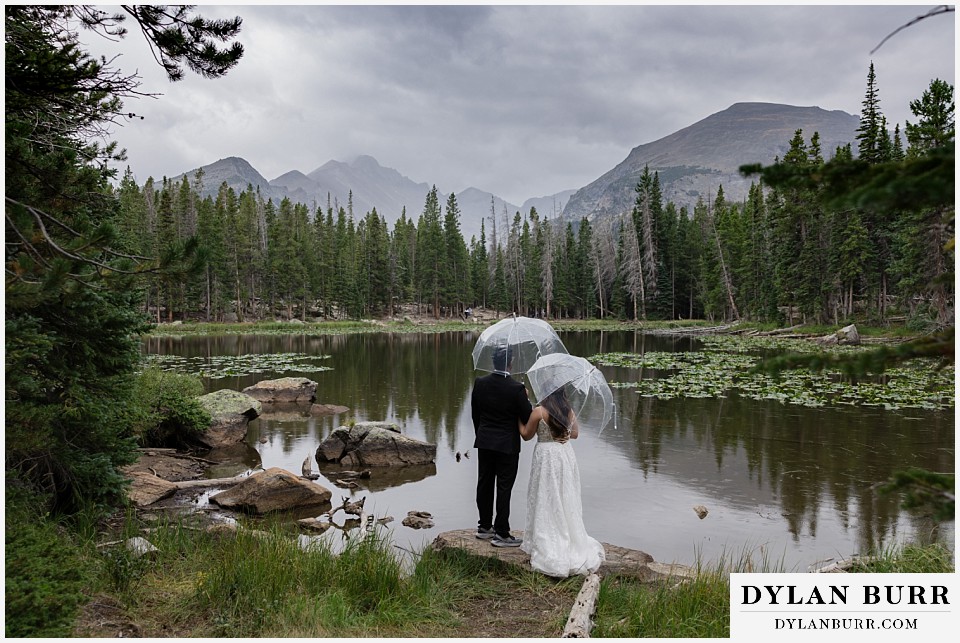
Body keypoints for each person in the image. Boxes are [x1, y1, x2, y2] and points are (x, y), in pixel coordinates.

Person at [519, 387, 605, 577]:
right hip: (564, 455)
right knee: (564, 496)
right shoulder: (568, 411)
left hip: (546, 457)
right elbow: (574, 434)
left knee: (545, 495)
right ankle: (567, 534)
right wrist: (561, 432)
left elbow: (526, 435)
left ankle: (546, 539)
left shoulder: (539, 411)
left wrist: (518, 417)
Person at [471, 346, 532, 547]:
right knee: (504, 487)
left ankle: (484, 527)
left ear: (493, 362)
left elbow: (475, 415)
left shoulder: (480, 383)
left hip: (485, 441)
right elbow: (526, 417)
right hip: (507, 445)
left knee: (484, 483)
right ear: (510, 363)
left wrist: (482, 434)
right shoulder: (517, 389)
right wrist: (527, 399)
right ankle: (502, 533)